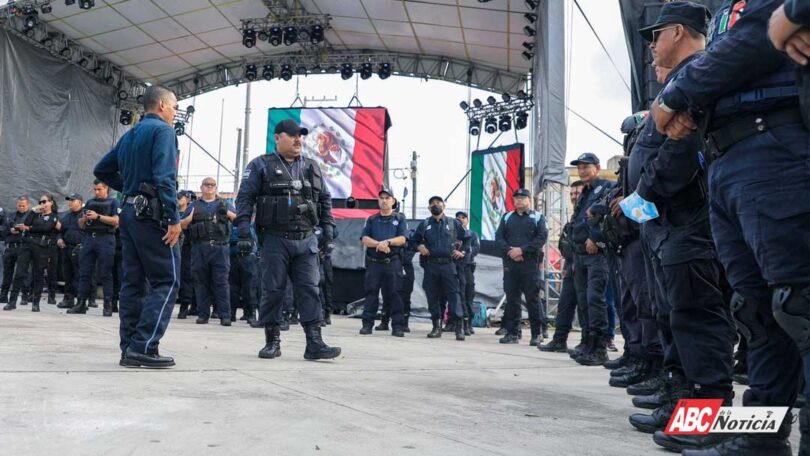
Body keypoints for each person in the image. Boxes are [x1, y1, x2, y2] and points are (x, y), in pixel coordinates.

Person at [649, 1, 810, 454]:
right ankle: (734, 426)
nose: (652, 48)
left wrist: (635, 206)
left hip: (693, 221)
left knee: (716, 321)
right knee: (751, 316)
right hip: (697, 201)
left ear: (679, 32)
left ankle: (705, 414)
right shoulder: (696, 74)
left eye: (656, 36)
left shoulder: (697, 74)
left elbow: (667, 168)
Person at [235, 118, 340, 361]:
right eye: (292, 135)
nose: (298, 140)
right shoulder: (261, 165)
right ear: (277, 137)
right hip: (275, 240)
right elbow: (245, 199)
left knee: (310, 290)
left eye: (301, 136)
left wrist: (328, 230)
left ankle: (314, 344)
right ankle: (272, 342)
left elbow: (324, 200)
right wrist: (243, 230)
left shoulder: (312, 166)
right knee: (272, 291)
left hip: (306, 240)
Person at [94, 85, 182, 369]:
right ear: (161, 106)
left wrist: (131, 189)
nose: (175, 112)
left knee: (133, 283)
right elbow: (165, 178)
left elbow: (102, 170)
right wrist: (173, 219)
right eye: (174, 107)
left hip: (129, 213)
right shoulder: (164, 132)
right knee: (166, 281)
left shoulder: (129, 134)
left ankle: (129, 348)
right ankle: (144, 345)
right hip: (152, 216)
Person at [567, 152, 613, 366]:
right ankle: (587, 342)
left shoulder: (607, 187)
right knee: (584, 301)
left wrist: (596, 238)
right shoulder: (584, 192)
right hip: (580, 255)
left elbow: (606, 216)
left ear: (597, 167)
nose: (583, 171)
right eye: (580, 167)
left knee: (596, 299)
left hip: (597, 254)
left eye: (587, 167)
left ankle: (600, 347)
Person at [494, 189, 548, 346]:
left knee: (533, 299)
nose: (518, 200)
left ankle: (536, 333)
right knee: (512, 299)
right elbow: (499, 237)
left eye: (522, 197)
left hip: (529, 264)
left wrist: (522, 250)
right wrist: (511, 251)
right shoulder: (507, 217)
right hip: (511, 264)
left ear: (529, 200)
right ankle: (512, 332)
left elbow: (541, 238)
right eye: (516, 198)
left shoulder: (537, 217)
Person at [412, 195, 470, 341]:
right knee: (433, 296)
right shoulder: (425, 224)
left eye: (438, 202)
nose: (435, 205)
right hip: (431, 265)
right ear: (429, 208)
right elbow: (413, 241)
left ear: (444, 206)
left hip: (449, 265)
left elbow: (467, 239)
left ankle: (459, 327)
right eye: (432, 203)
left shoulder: (453, 223)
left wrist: (461, 251)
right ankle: (436, 326)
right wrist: (420, 246)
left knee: (454, 296)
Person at [181, 178, 235, 326]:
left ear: (216, 188)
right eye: (207, 185)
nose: (209, 188)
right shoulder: (193, 205)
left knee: (221, 283)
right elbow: (181, 225)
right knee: (201, 282)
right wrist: (188, 219)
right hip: (199, 248)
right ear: (201, 187)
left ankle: (225, 315)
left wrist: (229, 214)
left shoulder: (224, 204)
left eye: (212, 185)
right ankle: (203, 314)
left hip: (220, 248)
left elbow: (238, 220)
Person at [540, 181, 584, 353]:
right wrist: (567, 264)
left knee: (587, 307)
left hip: (587, 267)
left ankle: (590, 343)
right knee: (565, 305)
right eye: (572, 194)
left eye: (577, 193)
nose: (574, 197)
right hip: (571, 267)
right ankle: (559, 340)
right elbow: (565, 244)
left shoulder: (591, 213)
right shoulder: (574, 218)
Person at [358, 187, 408, 337]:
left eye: (387, 198)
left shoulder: (399, 219)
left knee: (395, 294)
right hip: (374, 262)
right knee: (371, 293)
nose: (384, 200)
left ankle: (397, 326)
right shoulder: (372, 219)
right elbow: (365, 239)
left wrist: (386, 242)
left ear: (393, 201)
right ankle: (367, 325)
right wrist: (379, 245)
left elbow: (402, 239)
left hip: (392, 262)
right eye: (382, 198)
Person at [68, 180, 120, 316]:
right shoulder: (90, 203)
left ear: (106, 188)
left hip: (106, 238)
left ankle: (108, 305)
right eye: (95, 190)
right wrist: (85, 219)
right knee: (84, 272)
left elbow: (116, 221)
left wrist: (98, 217)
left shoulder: (113, 202)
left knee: (106, 272)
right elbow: (81, 224)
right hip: (89, 238)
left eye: (99, 189)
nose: (97, 192)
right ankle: (81, 303)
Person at [13, 194, 61, 313]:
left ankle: (36, 303)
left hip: (41, 247)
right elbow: (27, 222)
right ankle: (12, 301)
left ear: (51, 203)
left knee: (38, 275)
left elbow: (46, 228)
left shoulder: (53, 217)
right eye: (41, 201)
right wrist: (33, 211)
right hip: (27, 245)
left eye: (45, 201)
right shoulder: (35, 214)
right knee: (19, 272)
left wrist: (29, 228)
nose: (43, 204)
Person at [2, 197, 32, 309]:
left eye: (24, 205)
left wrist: (23, 229)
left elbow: (33, 230)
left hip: (22, 247)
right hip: (10, 247)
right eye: (20, 205)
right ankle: (3, 295)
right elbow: (3, 229)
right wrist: (10, 230)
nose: (21, 207)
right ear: (17, 205)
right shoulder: (10, 216)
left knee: (23, 273)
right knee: (7, 273)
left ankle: (24, 295)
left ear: (28, 205)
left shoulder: (30, 216)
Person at [57, 193, 84, 310]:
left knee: (79, 275)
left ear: (80, 202)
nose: (70, 203)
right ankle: (68, 298)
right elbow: (60, 231)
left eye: (73, 200)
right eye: (70, 200)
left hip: (79, 249)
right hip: (66, 248)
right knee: (67, 274)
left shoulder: (84, 215)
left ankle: (81, 300)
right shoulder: (66, 217)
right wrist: (59, 239)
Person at [228, 219, 258, 325]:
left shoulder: (251, 222)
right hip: (233, 255)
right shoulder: (231, 219)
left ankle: (250, 314)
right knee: (232, 287)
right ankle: (231, 313)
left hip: (248, 256)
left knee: (249, 288)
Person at [455, 211, 480, 336]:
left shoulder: (472, 234)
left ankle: (468, 323)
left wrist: (464, 251)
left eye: (463, 218)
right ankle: (452, 322)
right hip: (454, 268)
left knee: (468, 296)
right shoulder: (453, 233)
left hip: (467, 268)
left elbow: (476, 249)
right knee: (456, 296)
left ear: (467, 220)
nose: (460, 219)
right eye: (458, 218)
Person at [175, 190, 194, 319]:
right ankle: (183, 304)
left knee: (189, 278)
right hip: (175, 248)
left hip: (188, 248)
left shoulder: (192, 212)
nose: (178, 200)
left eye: (180, 198)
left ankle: (189, 305)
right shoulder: (173, 214)